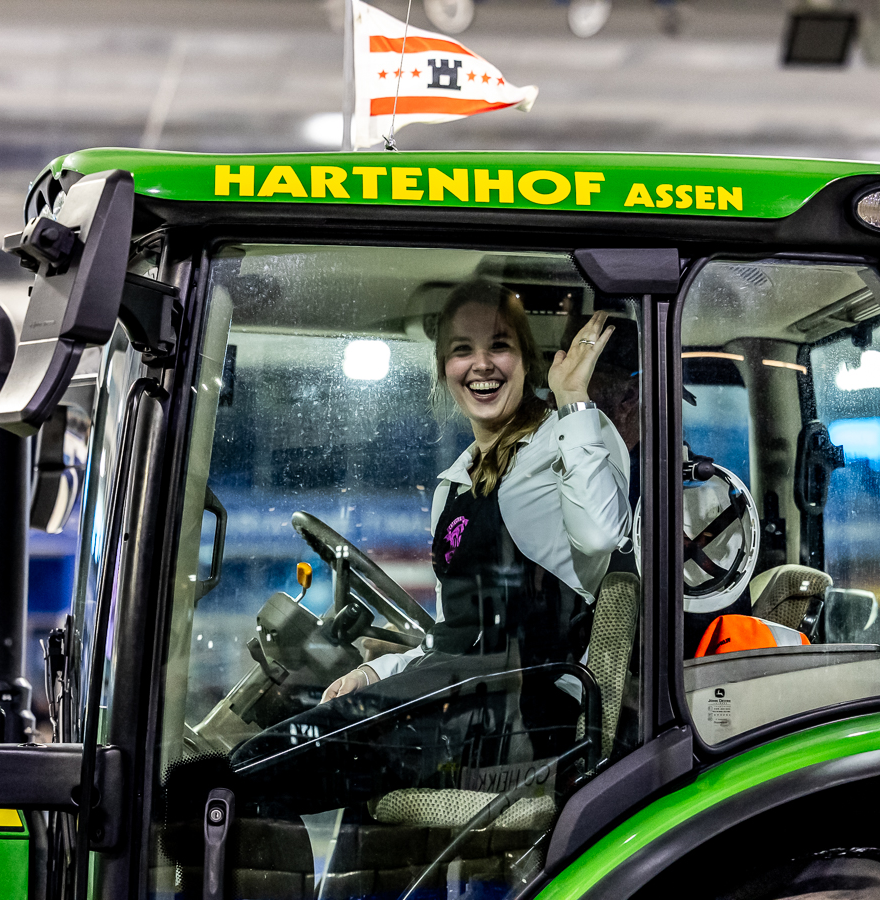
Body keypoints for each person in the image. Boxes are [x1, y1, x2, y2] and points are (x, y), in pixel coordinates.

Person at [224, 280, 631, 810]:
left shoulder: (572, 437)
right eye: (462, 350)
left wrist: (574, 400)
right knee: (279, 753)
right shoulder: (454, 487)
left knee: (259, 774)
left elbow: (605, 537)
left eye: (499, 346)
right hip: (462, 699)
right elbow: (451, 638)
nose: (481, 364)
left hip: (531, 713)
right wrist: (376, 671)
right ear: (445, 370)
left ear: (527, 360)